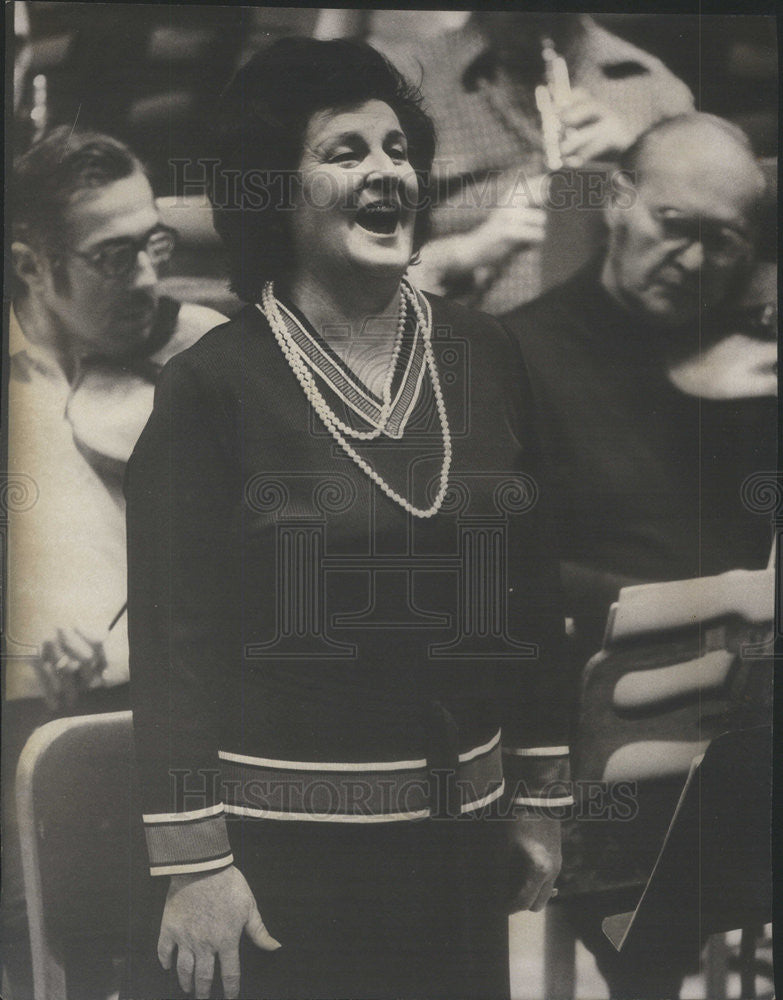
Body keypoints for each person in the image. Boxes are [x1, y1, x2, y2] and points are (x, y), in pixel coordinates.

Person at [123, 37, 572, 1000]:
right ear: (272, 192)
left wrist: (539, 798)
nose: (387, 174)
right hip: (284, 872)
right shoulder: (210, 388)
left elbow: (533, 594)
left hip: (461, 851)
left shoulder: (490, 354)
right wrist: (198, 866)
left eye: (399, 149)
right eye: (346, 152)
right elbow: (174, 647)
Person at [502, 113, 773, 998]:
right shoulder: (513, 355)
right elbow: (503, 573)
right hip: (611, 740)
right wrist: (676, 606)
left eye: (723, 245)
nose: (695, 264)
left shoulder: (747, 372)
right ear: (615, 203)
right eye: (674, 228)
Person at [4, 126, 226, 997]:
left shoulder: (201, 352)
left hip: (185, 730)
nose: (147, 280)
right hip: (28, 740)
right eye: (111, 257)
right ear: (31, 266)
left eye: (154, 246)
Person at [406, 12, 694, 315]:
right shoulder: (411, 77)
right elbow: (360, 274)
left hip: (611, 343)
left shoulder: (654, 88)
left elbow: (704, 244)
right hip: (454, 341)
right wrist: (466, 252)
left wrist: (644, 156)